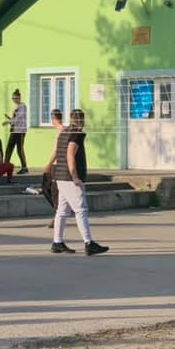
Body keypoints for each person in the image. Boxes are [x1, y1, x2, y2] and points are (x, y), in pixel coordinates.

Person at [48, 109, 109, 256]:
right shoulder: (77, 134)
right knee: (81, 210)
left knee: (62, 211)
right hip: (70, 179)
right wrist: (75, 176)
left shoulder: (64, 132)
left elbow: (59, 151)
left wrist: (50, 166)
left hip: (60, 176)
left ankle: (57, 242)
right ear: (82, 120)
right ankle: (89, 243)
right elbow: (70, 154)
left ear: (70, 119)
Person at [3, 89, 29, 173]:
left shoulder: (23, 106)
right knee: (9, 148)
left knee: (19, 150)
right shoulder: (15, 107)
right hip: (14, 131)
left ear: (19, 98)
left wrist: (9, 121)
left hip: (20, 131)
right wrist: (10, 119)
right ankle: (5, 166)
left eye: (16, 98)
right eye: (13, 98)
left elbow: (18, 119)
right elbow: (15, 119)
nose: (14, 100)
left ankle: (24, 167)